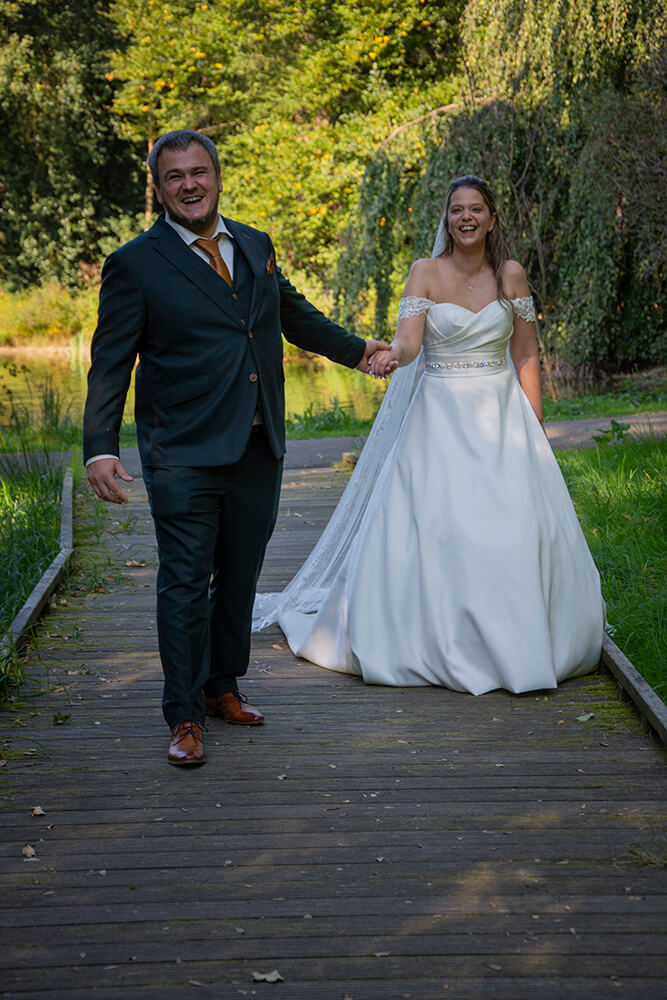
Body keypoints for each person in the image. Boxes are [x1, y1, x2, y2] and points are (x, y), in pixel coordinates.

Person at [83, 128, 389, 766]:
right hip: (182, 451)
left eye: (200, 172)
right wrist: (100, 448)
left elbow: (293, 314)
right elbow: (110, 364)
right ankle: (184, 715)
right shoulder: (135, 263)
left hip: (258, 444)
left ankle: (223, 686)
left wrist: (360, 352)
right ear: (160, 187)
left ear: (217, 177)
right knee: (186, 580)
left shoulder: (255, 244)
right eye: (175, 177)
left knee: (241, 575)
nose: (190, 184)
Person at [253, 175, 605, 693]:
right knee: (438, 526)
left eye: (476, 209)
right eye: (456, 209)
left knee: (513, 529)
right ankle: (433, 639)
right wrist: (389, 357)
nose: (466, 218)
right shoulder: (425, 272)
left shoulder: (511, 275)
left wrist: (535, 427)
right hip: (438, 416)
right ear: (446, 219)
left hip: (502, 417)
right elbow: (410, 344)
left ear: (491, 218)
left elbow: (526, 353)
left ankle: (520, 639)